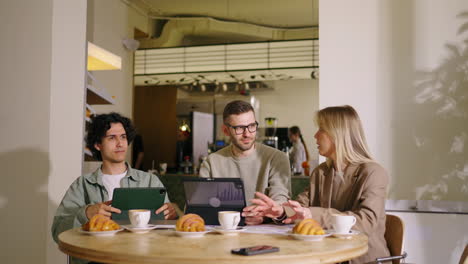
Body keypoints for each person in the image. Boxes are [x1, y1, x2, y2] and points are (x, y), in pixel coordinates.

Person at [244, 105, 390, 264]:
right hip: (326, 256)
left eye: (321, 129)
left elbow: (366, 221)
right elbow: (301, 206)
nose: (315, 135)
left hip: (363, 260)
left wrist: (311, 214)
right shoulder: (321, 172)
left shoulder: (373, 173)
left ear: (337, 134)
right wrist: (280, 211)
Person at [51, 113, 177, 258]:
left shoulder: (150, 181)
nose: (120, 143)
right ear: (98, 144)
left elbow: (167, 232)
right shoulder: (82, 185)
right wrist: (85, 213)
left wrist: (171, 216)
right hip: (94, 259)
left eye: (123, 137)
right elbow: (57, 232)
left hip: (139, 259)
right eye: (112, 138)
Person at [199, 100, 291, 225]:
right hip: (223, 232)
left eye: (252, 126)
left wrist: (265, 216)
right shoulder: (212, 162)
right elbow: (200, 206)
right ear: (226, 131)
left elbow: (280, 201)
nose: (247, 134)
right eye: (239, 128)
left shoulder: (276, 158)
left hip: (265, 237)